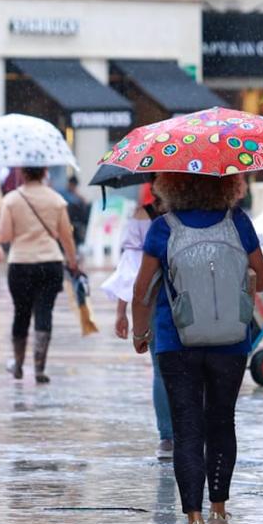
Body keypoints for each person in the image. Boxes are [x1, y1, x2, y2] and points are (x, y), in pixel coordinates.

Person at [130, 173, 263, 524]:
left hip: (177, 340)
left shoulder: (163, 227)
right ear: (227, 184)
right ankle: (219, 516)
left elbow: (142, 289)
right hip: (230, 341)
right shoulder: (237, 221)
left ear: (170, 187)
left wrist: (139, 332)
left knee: (187, 428)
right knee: (222, 422)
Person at [102, 180, 173, 459]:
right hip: (191, 297)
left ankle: (167, 438)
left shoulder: (142, 217)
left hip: (155, 301)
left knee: (160, 367)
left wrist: (123, 312)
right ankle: (191, 430)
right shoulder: (192, 210)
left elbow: (132, 271)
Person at [0, 166, 77, 382]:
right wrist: (73, 261)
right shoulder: (56, 199)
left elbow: (3, 235)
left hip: (21, 262)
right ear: (45, 172)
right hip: (50, 262)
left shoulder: (11, 200)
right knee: (44, 311)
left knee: (21, 313)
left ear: (22, 173)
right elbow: (66, 236)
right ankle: (39, 368)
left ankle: (18, 364)